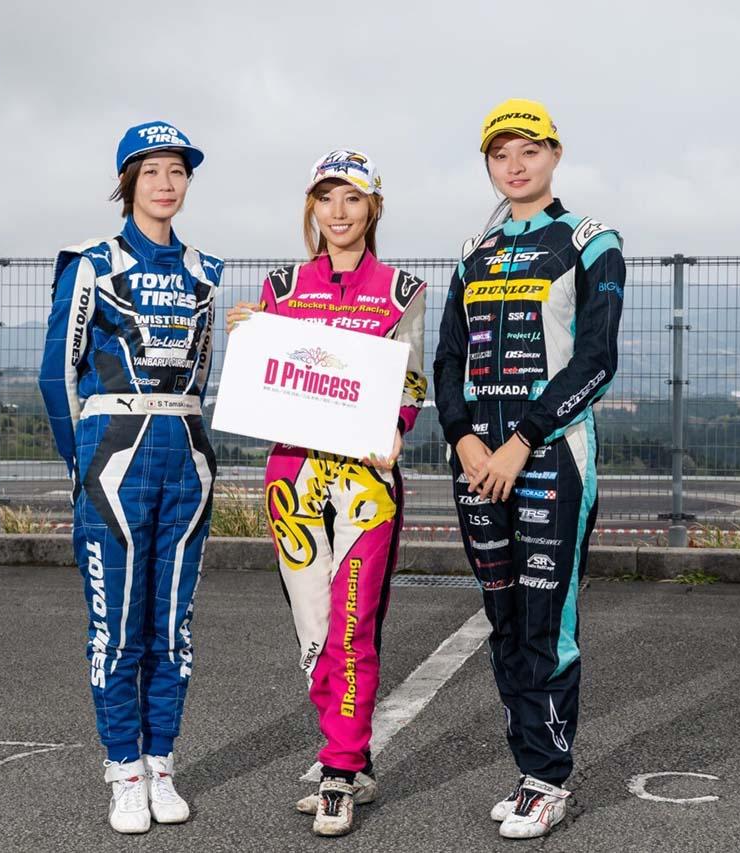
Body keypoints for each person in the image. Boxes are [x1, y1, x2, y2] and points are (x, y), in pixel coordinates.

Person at [433, 99, 625, 840]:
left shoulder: (590, 241)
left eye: (529, 151)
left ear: (555, 154)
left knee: (548, 620)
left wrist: (522, 440)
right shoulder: (473, 252)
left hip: (550, 458)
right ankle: (527, 769)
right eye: (500, 153)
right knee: (503, 617)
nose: (514, 166)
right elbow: (449, 359)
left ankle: (548, 779)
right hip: (476, 462)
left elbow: (596, 359)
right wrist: (462, 439)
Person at [224, 150, 427, 837]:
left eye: (352, 198)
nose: (338, 212)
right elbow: (263, 381)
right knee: (315, 632)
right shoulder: (280, 287)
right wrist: (247, 338)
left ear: (374, 208)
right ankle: (351, 754)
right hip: (293, 475)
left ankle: (338, 769)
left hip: (368, 479)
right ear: (311, 207)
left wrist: (398, 426)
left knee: (352, 623)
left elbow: (412, 380)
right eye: (326, 198)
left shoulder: (401, 289)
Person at [39, 120, 222, 835]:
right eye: (152, 172)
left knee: (172, 627)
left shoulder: (207, 271)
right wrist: (80, 462)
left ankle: (161, 761)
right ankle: (122, 769)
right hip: (112, 461)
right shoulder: (91, 264)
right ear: (128, 183)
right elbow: (57, 376)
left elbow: (208, 375)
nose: (166, 184)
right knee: (115, 628)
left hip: (188, 459)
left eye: (177, 171)